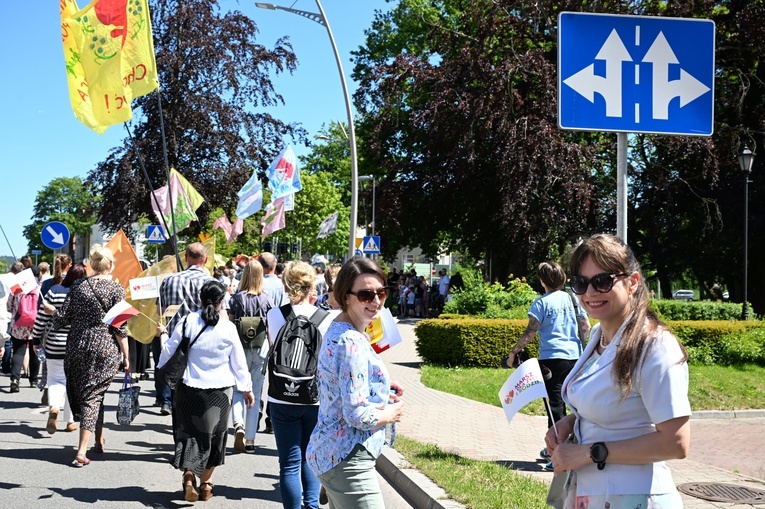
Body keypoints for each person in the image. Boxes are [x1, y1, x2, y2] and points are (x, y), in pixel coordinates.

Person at [546, 234, 691, 508]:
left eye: (602, 281)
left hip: (634, 497)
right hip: (592, 493)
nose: (590, 293)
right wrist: (572, 423)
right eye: (581, 283)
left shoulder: (655, 346)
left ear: (633, 282)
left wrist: (589, 453)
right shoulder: (599, 336)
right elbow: (611, 410)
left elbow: (676, 442)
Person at [307, 257, 404, 509]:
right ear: (346, 296)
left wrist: (380, 387)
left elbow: (338, 385)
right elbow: (357, 416)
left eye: (381, 292)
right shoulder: (351, 341)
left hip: (334, 453)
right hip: (347, 457)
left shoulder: (341, 328)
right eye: (365, 295)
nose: (376, 301)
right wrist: (390, 413)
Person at [157, 280, 254, 502]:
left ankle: (189, 476)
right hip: (220, 392)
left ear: (200, 299)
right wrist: (246, 388)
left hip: (189, 388)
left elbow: (169, 352)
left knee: (189, 435)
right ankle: (207, 484)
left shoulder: (187, 321)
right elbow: (239, 363)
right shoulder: (228, 327)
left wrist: (162, 336)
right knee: (215, 438)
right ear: (222, 302)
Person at [506, 261, 591, 467]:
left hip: (552, 361)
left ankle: (557, 454)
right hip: (576, 358)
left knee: (555, 408)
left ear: (542, 281)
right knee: (577, 405)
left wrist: (513, 353)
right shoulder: (574, 299)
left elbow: (530, 333)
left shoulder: (541, 303)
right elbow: (586, 327)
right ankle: (572, 447)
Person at [52, 245, 131, 467]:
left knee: (92, 394)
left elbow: (60, 320)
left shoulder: (78, 287)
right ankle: (81, 451)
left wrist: (52, 311)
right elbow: (120, 328)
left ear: (92, 265)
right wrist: (126, 355)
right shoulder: (116, 290)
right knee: (94, 396)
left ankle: (97, 439)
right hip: (104, 348)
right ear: (111, 265)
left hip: (77, 346)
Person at [265, 261, 335, 509]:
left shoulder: (274, 315)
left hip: (281, 397)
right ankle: (312, 507)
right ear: (312, 285)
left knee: (289, 463)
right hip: (313, 397)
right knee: (310, 459)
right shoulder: (326, 319)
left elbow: (274, 347)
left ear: (286, 285)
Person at [156, 243, 215, 415]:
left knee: (178, 387)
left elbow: (160, 311)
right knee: (200, 386)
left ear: (186, 258)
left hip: (177, 341)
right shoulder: (212, 282)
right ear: (206, 259)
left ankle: (179, 426)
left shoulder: (169, 280)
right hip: (204, 340)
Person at [227, 258, 274, 453]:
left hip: (240, 349)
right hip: (260, 349)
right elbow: (272, 328)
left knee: (239, 390)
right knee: (255, 393)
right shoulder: (267, 299)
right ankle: (250, 440)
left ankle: (238, 424)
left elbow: (229, 325)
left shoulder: (236, 299)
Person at [34, 263, 88, 434]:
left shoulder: (55, 290)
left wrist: (36, 338)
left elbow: (41, 317)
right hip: (77, 345)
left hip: (54, 344)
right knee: (73, 382)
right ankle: (70, 421)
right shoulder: (85, 293)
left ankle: (54, 408)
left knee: (55, 380)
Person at [7, 264, 41, 392]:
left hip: (18, 326)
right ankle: (33, 380)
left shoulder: (17, 287)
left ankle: (15, 379)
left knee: (18, 352)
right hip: (36, 325)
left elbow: (9, 306)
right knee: (35, 352)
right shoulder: (40, 289)